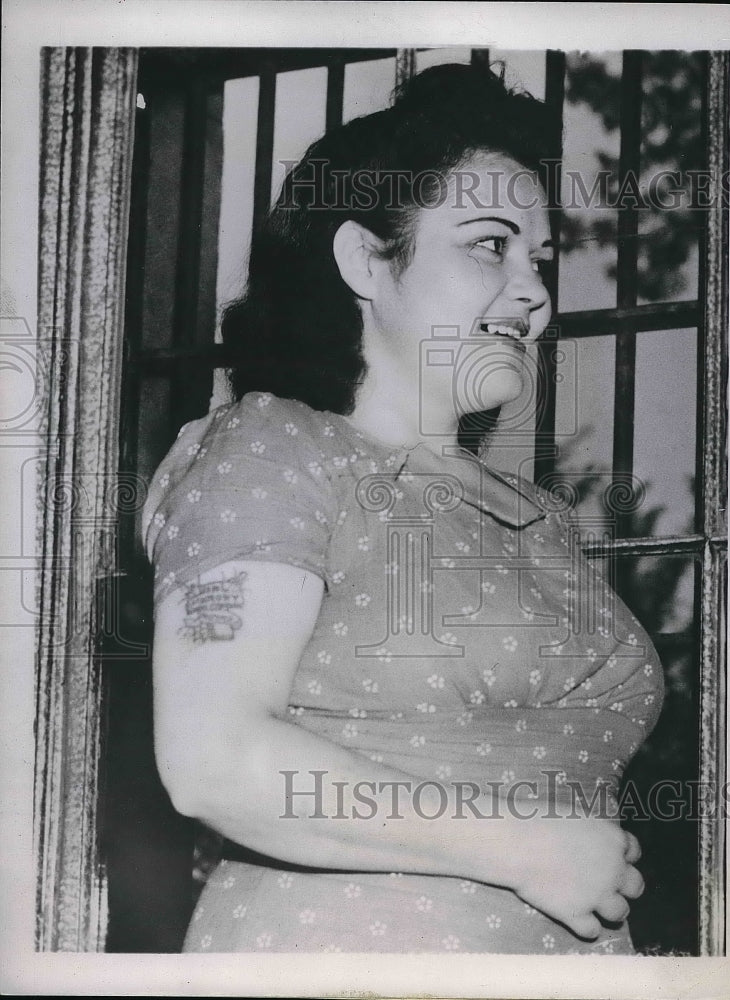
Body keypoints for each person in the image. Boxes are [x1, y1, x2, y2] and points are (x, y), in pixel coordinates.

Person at [142, 63, 664, 954]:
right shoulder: (272, 449)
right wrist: (528, 848)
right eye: (490, 244)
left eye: (538, 258)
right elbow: (212, 760)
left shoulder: (535, 514)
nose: (534, 291)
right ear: (365, 259)